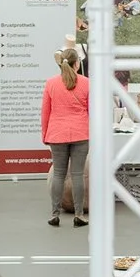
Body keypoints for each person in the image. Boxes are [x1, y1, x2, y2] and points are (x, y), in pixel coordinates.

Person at [41, 46, 92, 227]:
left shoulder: (51, 83)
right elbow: (92, 111)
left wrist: (45, 135)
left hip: (57, 134)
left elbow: (45, 113)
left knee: (59, 174)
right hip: (80, 133)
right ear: (77, 64)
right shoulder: (87, 83)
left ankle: (55, 214)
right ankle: (79, 215)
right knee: (78, 175)